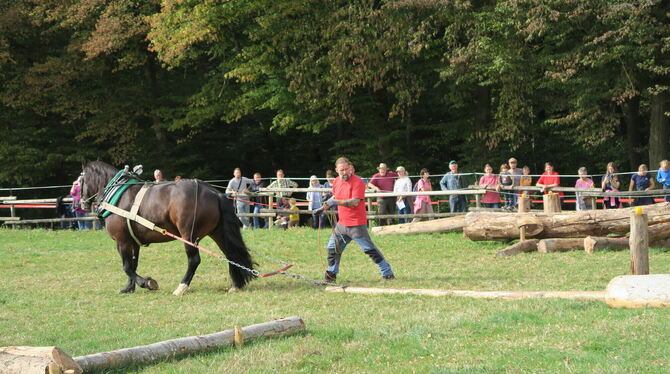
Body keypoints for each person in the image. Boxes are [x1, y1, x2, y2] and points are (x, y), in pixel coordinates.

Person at [313, 157, 394, 281]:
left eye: (346, 169)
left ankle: (387, 273)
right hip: (342, 224)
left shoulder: (358, 182)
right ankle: (331, 274)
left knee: (369, 250)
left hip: (356, 224)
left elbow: (354, 202)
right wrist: (323, 207)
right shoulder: (336, 182)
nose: (344, 172)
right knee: (332, 248)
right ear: (336, 170)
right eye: (341, 170)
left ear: (350, 168)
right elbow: (335, 196)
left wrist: (335, 201)